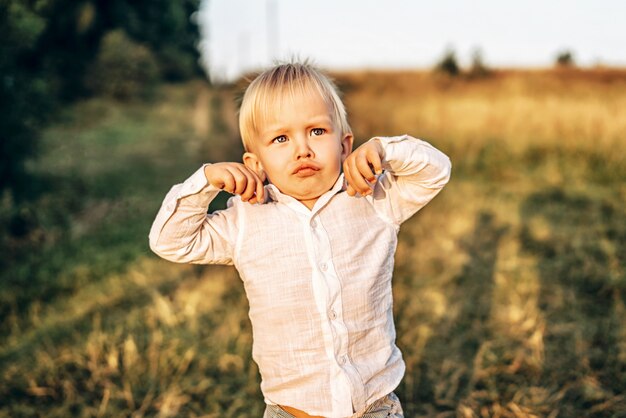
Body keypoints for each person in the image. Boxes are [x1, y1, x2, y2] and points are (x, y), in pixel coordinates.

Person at [149, 61, 451, 418]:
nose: (302, 149)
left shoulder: (372, 200)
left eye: (317, 131)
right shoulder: (246, 218)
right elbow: (170, 240)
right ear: (255, 163)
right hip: (291, 411)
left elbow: (435, 172)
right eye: (281, 139)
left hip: (375, 405)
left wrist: (385, 151)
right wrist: (207, 181)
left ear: (345, 144)